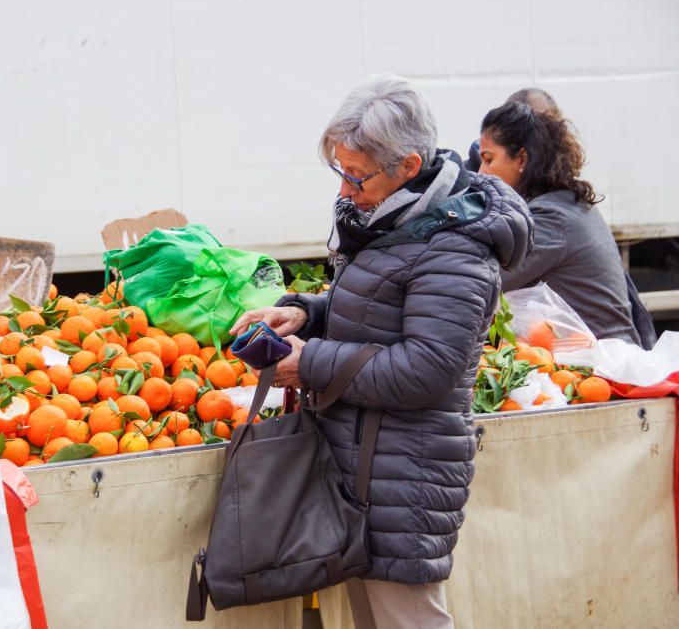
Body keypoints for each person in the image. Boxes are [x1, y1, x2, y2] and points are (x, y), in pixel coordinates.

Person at [231, 75, 532, 629]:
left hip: (405, 473)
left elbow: (428, 368)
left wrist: (310, 362)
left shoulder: (454, 249)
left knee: (409, 620)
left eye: (356, 174)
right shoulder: (397, 221)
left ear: (408, 167)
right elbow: (380, 312)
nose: (345, 188)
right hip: (365, 468)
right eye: (340, 171)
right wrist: (307, 313)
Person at [478, 100, 645, 345]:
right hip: (587, 357)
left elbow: (485, 281)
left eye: (488, 159)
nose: (482, 172)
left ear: (522, 159)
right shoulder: (565, 204)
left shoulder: (552, 218)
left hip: (601, 366)